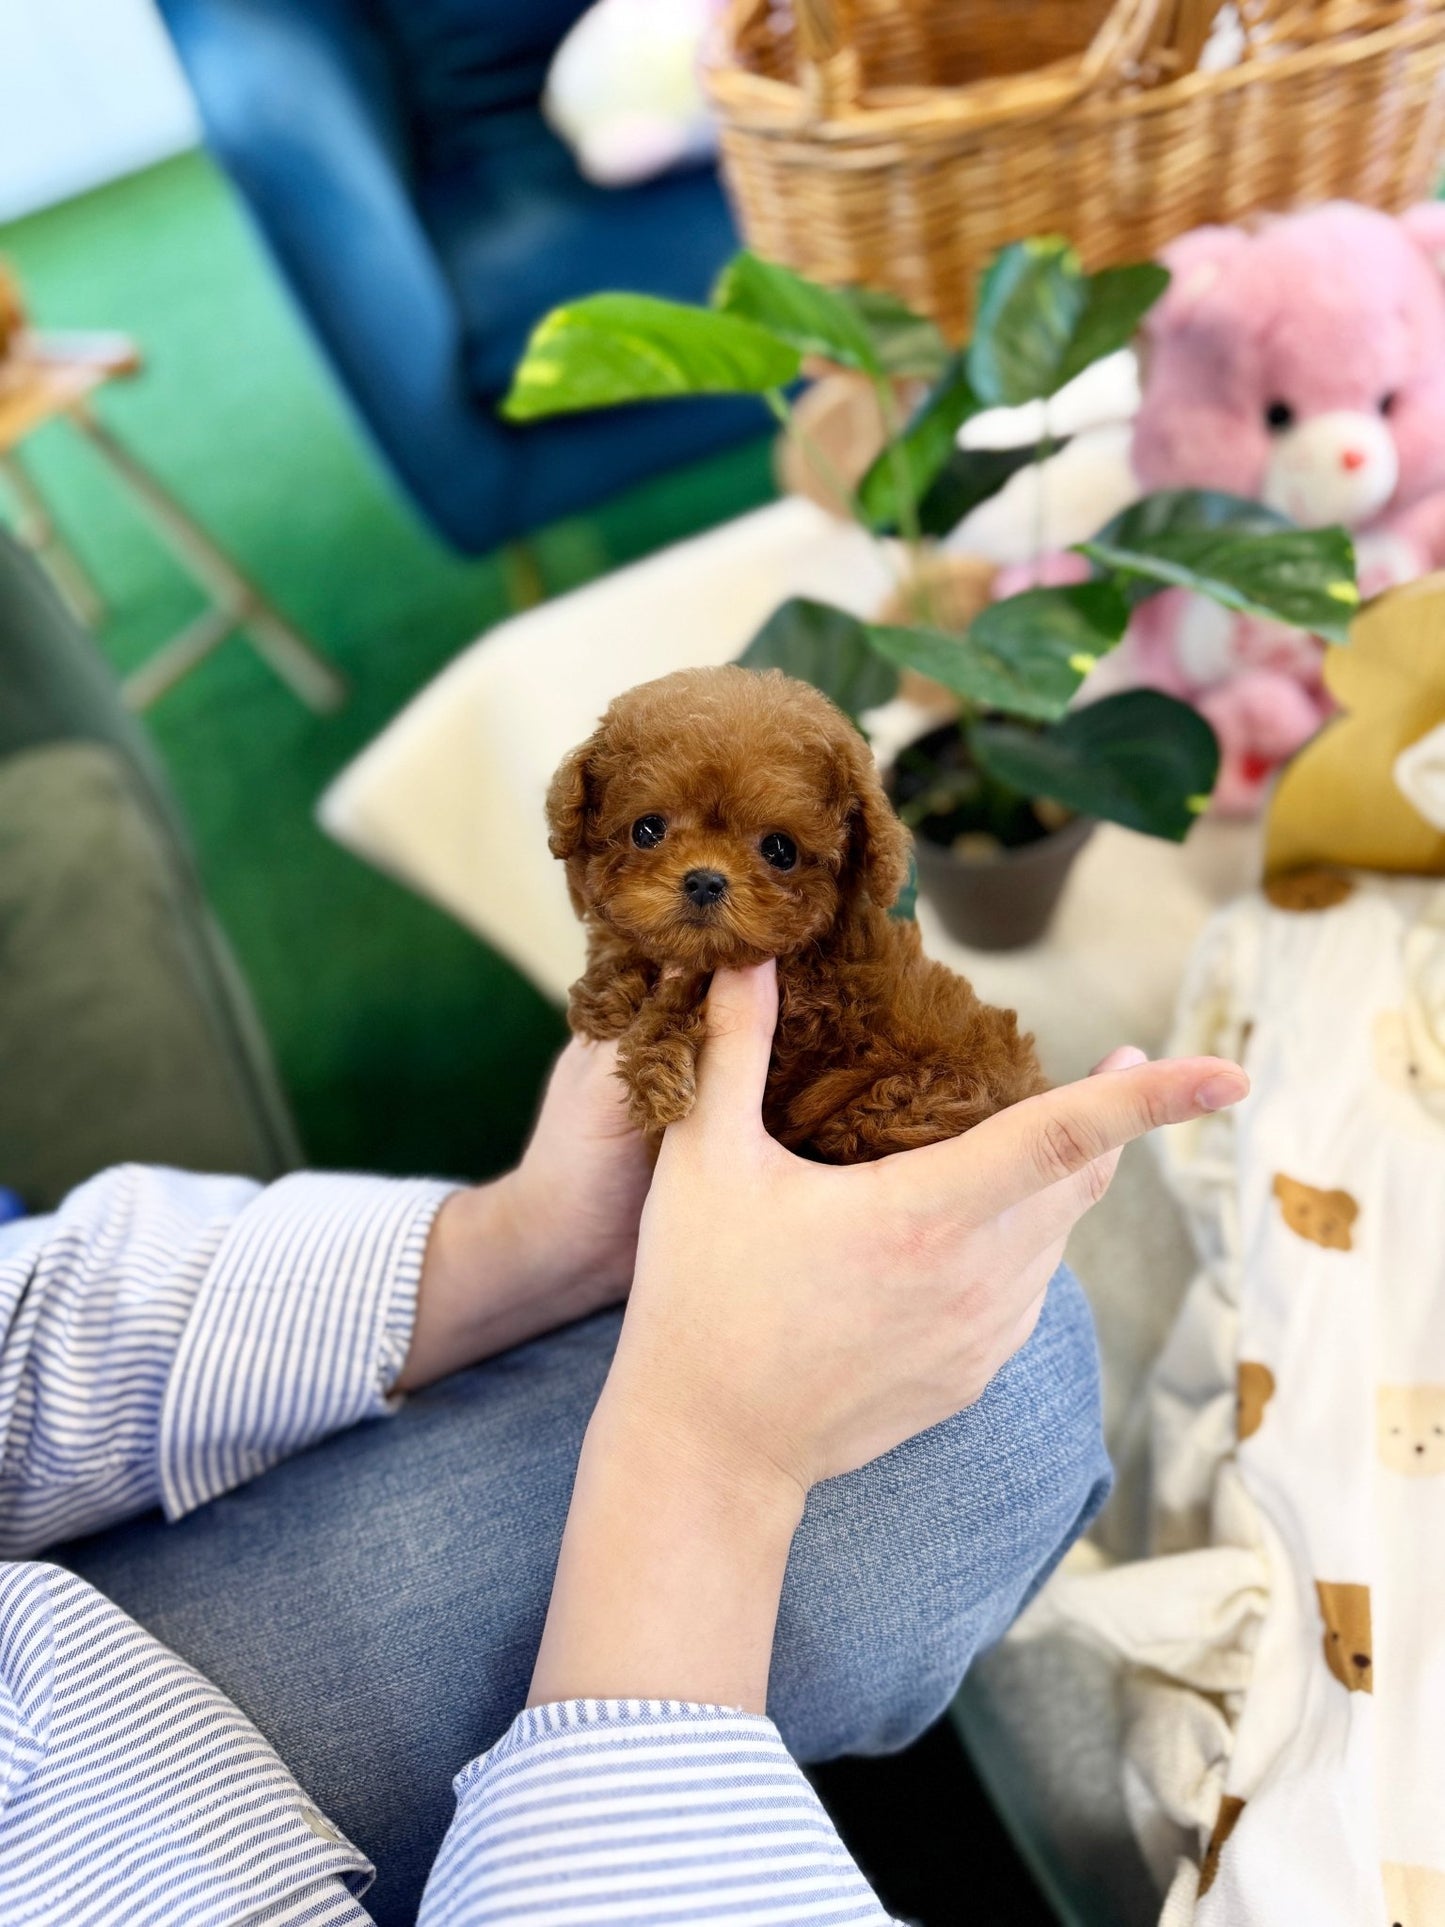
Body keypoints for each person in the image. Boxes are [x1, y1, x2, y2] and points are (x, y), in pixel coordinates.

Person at [0, 960, 1247, 1925]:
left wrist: (516, 1249)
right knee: (988, 1402)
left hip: (61, 1707)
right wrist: (709, 1463)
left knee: (976, 1359)